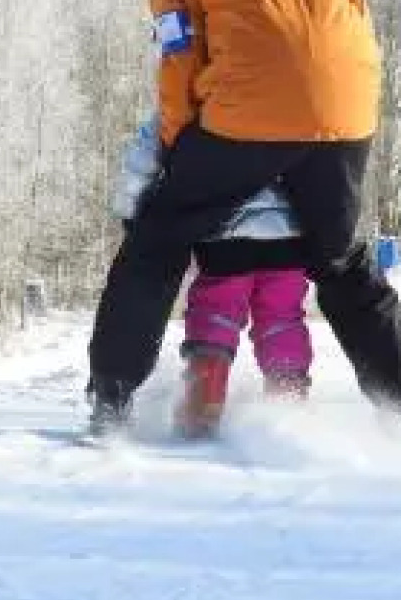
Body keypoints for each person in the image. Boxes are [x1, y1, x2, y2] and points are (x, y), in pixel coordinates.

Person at [86, 0, 401, 436]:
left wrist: (179, 151)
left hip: (243, 121)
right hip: (345, 119)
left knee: (156, 243)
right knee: (345, 265)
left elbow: (178, 61)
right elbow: (356, 37)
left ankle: (111, 402)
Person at [113, 116, 313, 439]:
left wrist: (131, 210)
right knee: (283, 317)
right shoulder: (300, 93)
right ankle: (287, 407)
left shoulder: (208, 86)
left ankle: (204, 397)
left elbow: (149, 145)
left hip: (226, 228)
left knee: (217, 307)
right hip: (289, 234)